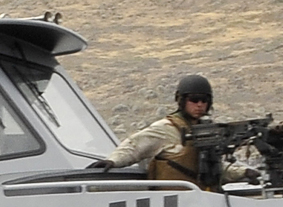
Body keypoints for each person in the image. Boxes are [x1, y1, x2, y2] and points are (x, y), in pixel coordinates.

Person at [93, 74, 253, 190]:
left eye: (204, 100)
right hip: (173, 203)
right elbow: (135, 146)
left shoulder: (207, 132)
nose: (199, 105)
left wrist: (244, 172)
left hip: (203, 200)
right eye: (194, 99)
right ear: (181, 100)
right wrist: (113, 161)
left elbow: (212, 169)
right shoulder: (166, 128)